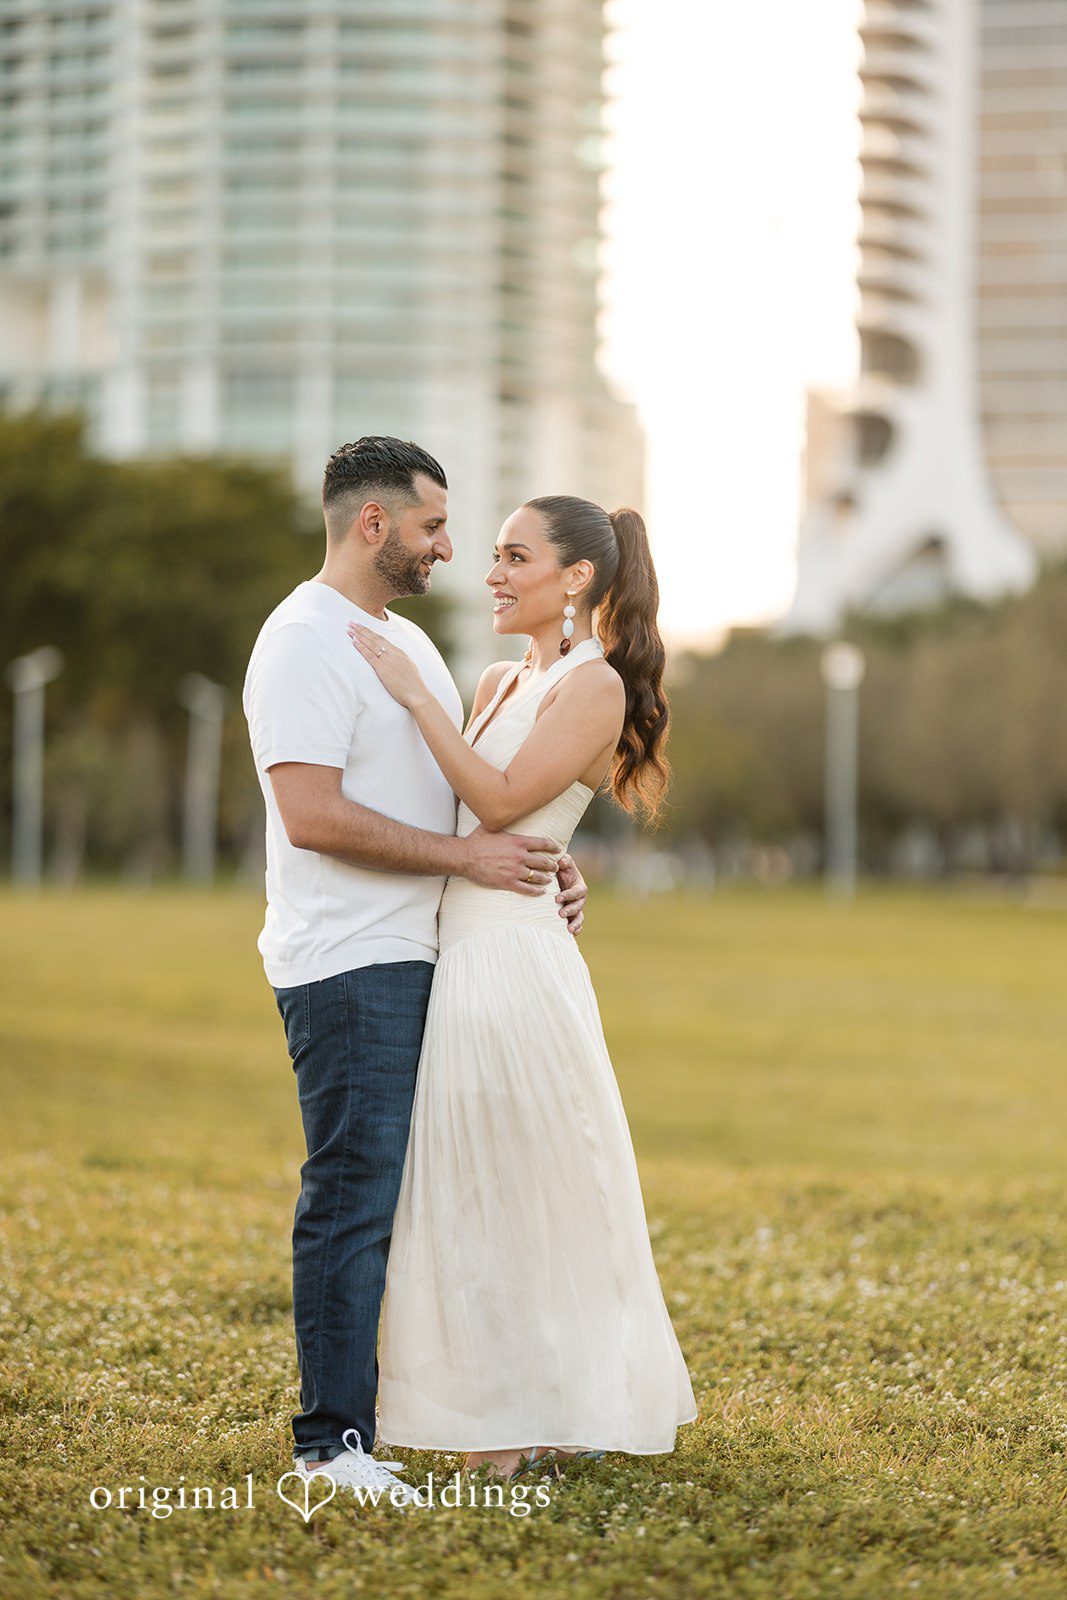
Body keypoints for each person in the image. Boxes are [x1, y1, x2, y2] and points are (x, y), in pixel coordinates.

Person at [242, 439, 589, 1505]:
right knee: (351, 1196)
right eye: (436, 527)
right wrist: (465, 857)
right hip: (349, 960)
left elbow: (460, 797)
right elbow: (312, 817)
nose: (451, 549)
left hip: (423, 950)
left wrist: (543, 863)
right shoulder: (302, 639)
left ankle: (412, 1414)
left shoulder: (408, 648)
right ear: (374, 524)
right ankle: (330, 1447)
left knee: (411, 1199)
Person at [347, 493, 698, 1479]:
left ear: (574, 578)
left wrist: (414, 698)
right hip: (460, 950)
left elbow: (501, 802)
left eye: (513, 556)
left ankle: (511, 1429)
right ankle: (500, 1409)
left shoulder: (594, 687)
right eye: (493, 555)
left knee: (516, 1185)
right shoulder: (499, 678)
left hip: (513, 964)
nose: (492, 572)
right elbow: (470, 815)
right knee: (463, 1186)